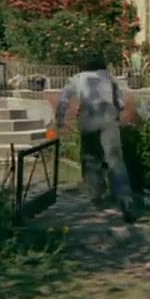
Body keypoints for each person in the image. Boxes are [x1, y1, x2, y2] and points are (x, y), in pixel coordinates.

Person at [55, 53, 136, 223]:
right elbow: (120, 102)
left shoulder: (78, 78)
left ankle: (96, 196)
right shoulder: (109, 78)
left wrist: (60, 119)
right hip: (109, 118)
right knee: (115, 160)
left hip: (89, 118)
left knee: (91, 158)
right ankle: (125, 200)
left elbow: (64, 99)